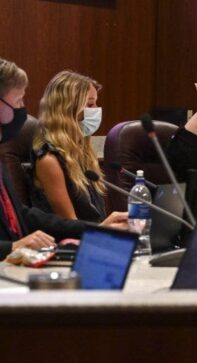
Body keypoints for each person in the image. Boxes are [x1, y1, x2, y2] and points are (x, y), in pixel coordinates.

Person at [0, 58, 126, 259]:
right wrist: (13, 246)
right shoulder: (49, 158)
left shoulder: (83, 153)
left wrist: (100, 231)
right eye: (18, 102)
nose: (22, 109)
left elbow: (22, 214)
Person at [30, 71, 107, 222]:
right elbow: (71, 225)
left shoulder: (83, 153)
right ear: (68, 109)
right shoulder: (49, 159)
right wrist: (107, 228)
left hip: (92, 238)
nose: (97, 109)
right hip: (68, 242)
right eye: (90, 104)